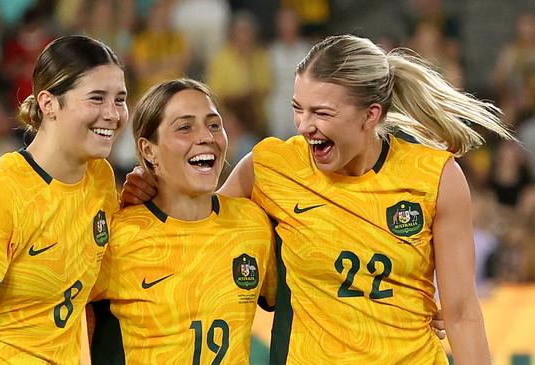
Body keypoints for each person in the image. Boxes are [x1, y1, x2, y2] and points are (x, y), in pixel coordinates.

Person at [122, 35, 514, 364]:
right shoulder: (273, 165)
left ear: (370, 115)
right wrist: (153, 185)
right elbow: (201, 225)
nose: (304, 126)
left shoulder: (436, 176)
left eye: (322, 113)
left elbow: (461, 315)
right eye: (298, 108)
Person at [0, 35, 128, 364]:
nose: (112, 113)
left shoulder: (100, 179)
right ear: (48, 103)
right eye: (96, 98)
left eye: (120, 99)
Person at [87, 78, 276, 364]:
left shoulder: (253, 223)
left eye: (214, 124)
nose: (206, 137)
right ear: (148, 150)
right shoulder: (117, 236)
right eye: (185, 127)